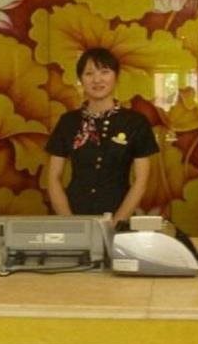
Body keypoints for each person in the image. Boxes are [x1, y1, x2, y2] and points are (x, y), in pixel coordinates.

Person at [45, 48, 159, 221]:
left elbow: (141, 181)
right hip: (74, 214)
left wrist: (115, 223)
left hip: (119, 214)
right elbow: (53, 178)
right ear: (80, 79)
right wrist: (70, 223)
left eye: (104, 72)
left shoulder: (135, 122)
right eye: (89, 73)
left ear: (116, 76)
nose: (97, 80)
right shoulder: (68, 122)